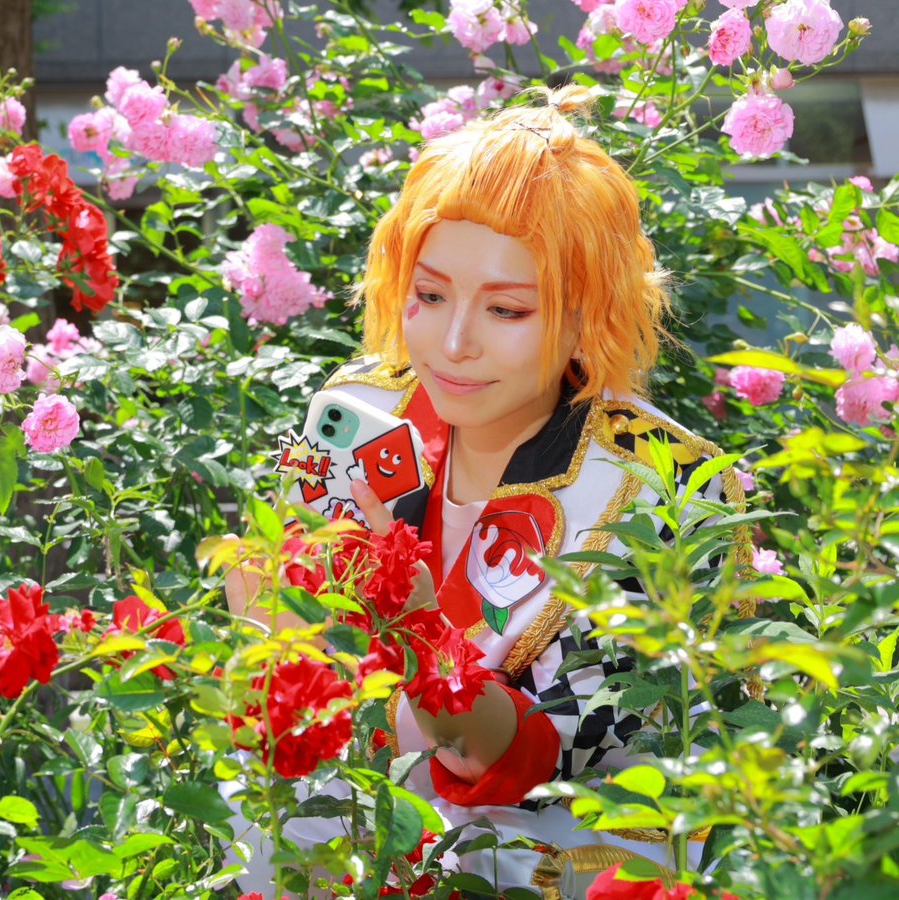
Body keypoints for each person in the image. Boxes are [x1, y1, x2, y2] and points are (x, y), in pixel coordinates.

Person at [225, 85, 747, 896]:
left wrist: (421, 643)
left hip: (553, 851)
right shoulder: (363, 408)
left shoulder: (660, 482)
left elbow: (553, 753)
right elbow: (288, 676)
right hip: (349, 820)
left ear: (585, 316)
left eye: (507, 309)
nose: (454, 343)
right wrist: (264, 627)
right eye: (430, 296)